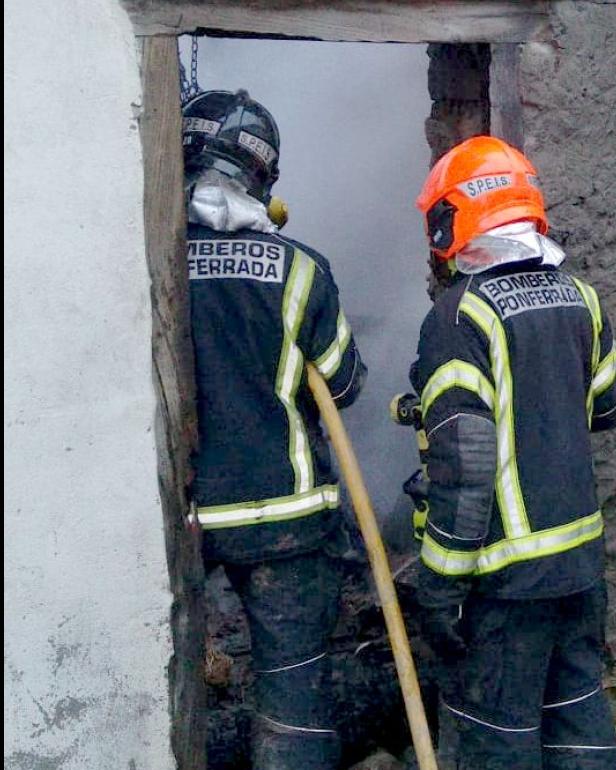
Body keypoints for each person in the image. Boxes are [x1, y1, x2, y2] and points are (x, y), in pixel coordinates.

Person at [407, 135, 616, 769]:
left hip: (504, 583)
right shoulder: (580, 296)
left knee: (498, 741)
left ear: (453, 219)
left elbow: (466, 464)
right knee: (578, 725)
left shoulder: (458, 317)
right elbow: (612, 405)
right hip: (578, 566)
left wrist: (440, 585)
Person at [183, 89, 366, 769]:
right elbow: (342, 384)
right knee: (294, 704)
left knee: (163, 685)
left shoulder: (146, 258)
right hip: (286, 516)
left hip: (183, 516)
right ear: (263, 175)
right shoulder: (300, 268)